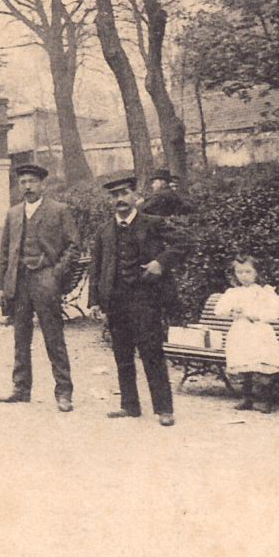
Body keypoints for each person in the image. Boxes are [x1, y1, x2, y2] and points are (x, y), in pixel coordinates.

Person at [87, 172, 186, 426]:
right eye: (114, 196)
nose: (119, 199)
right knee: (122, 355)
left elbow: (183, 242)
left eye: (123, 194)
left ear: (134, 196)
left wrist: (159, 262)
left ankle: (164, 409)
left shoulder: (152, 223)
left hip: (146, 299)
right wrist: (95, 301)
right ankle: (129, 405)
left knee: (151, 353)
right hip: (115, 301)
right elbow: (96, 267)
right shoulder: (104, 230)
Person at [0, 163, 81, 412]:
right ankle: (21, 389)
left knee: (54, 337)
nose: (27, 186)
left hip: (45, 279)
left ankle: (64, 392)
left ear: (42, 184)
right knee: (20, 337)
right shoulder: (13, 213)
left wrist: (56, 273)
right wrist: (0, 286)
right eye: (23, 182)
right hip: (19, 282)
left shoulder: (59, 210)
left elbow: (74, 245)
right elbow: (4, 252)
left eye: (32, 181)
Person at [215, 254, 279, 413]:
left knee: (262, 365)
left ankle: (265, 400)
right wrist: (232, 309)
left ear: (256, 273)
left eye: (248, 272)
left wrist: (258, 315)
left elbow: (276, 313)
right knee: (245, 365)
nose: (243, 276)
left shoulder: (265, 292)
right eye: (239, 272)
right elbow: (219, 310)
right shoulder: (233, 292)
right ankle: (247, 398)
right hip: (241, 333)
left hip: (260, 332)